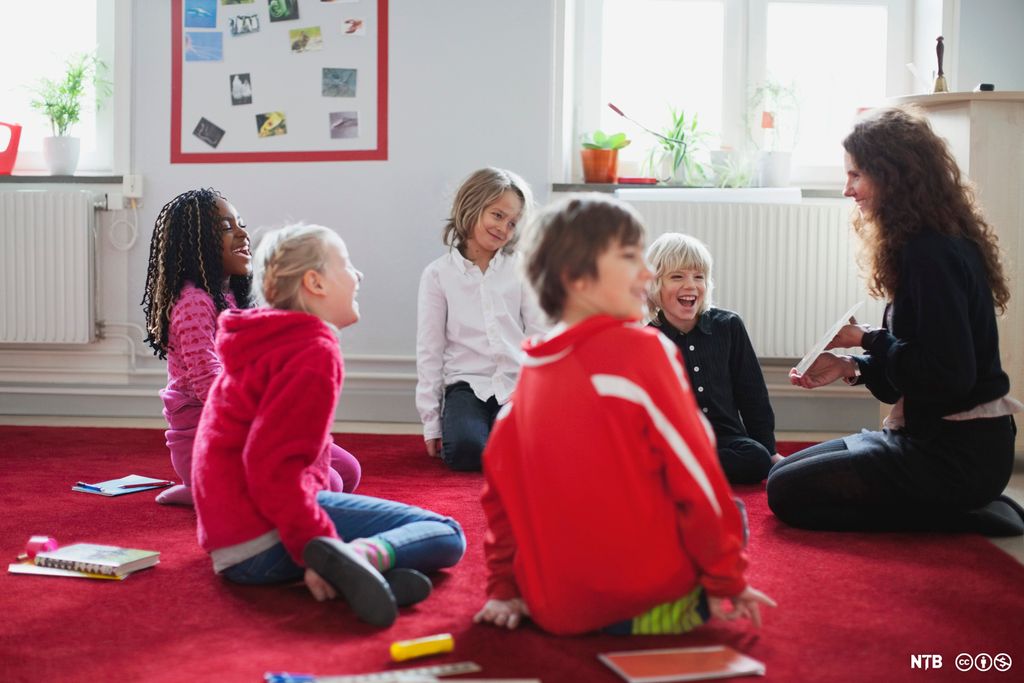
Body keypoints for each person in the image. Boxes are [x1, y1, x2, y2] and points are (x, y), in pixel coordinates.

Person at [474, 195, 775, 636]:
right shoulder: (645, 351)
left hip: (556, 610)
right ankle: (677, 607)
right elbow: (697, 476)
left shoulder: (530, 372)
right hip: (642, 594)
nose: (647, 273)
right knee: (733, 513)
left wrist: (503, 587)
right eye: (631, 257)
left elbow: (499, 494)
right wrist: (725, 576)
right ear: (577, 278)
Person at [192, 224, 466, 627]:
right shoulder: (313, 351)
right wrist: (315, 544)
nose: (358, 276)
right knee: (445, 534)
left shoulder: (264, 341)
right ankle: (353, 560)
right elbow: (271, 468)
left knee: (358, 507)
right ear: (315, 282)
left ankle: (365, 573)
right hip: (264, 543)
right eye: (347, 265)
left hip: (231, 546)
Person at [767, 106, 1024, 536]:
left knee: (787, 493)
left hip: (958, 455)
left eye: (856, 176)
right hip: (932, 437)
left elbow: (948, 377)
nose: (847, 190)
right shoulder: (921, 246)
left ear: (892, 177)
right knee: (784, 473)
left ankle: (958, 514)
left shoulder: (932, 253)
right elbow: (914, 379)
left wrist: (868, 339)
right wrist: (853, 367)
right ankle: (961, 508)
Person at [141, 188, 361, 505]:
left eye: (240, 223)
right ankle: (203, 486)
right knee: (325, 486)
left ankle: (208, 489)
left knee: (347, 472)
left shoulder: (233, 297)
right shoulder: (193, 302)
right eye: (227, 227)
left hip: (246, 421)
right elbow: (208, 384)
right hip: (211, 436)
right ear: (196, 241)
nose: (242, 233)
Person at [416, 168, 547, 471]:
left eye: (512, 222)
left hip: (515, 384)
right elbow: (430, 350)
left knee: (524, 444)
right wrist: (431, 424)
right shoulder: (438, 275)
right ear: (472, 206)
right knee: (465, 450)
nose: (504, 228)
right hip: (466, 385)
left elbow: (539, 333)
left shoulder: (522, 269)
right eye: (497, 215)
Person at [646, 232, 779, 484]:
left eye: (699, 277)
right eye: (677, 276)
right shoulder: (648, 339)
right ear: (655, 285)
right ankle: (678, 469)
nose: (690, 285)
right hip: (676, 441)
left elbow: (752, 394)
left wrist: (769, 452)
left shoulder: (728, 326)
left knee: (756, 457)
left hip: (726, 440)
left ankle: (679, 473)